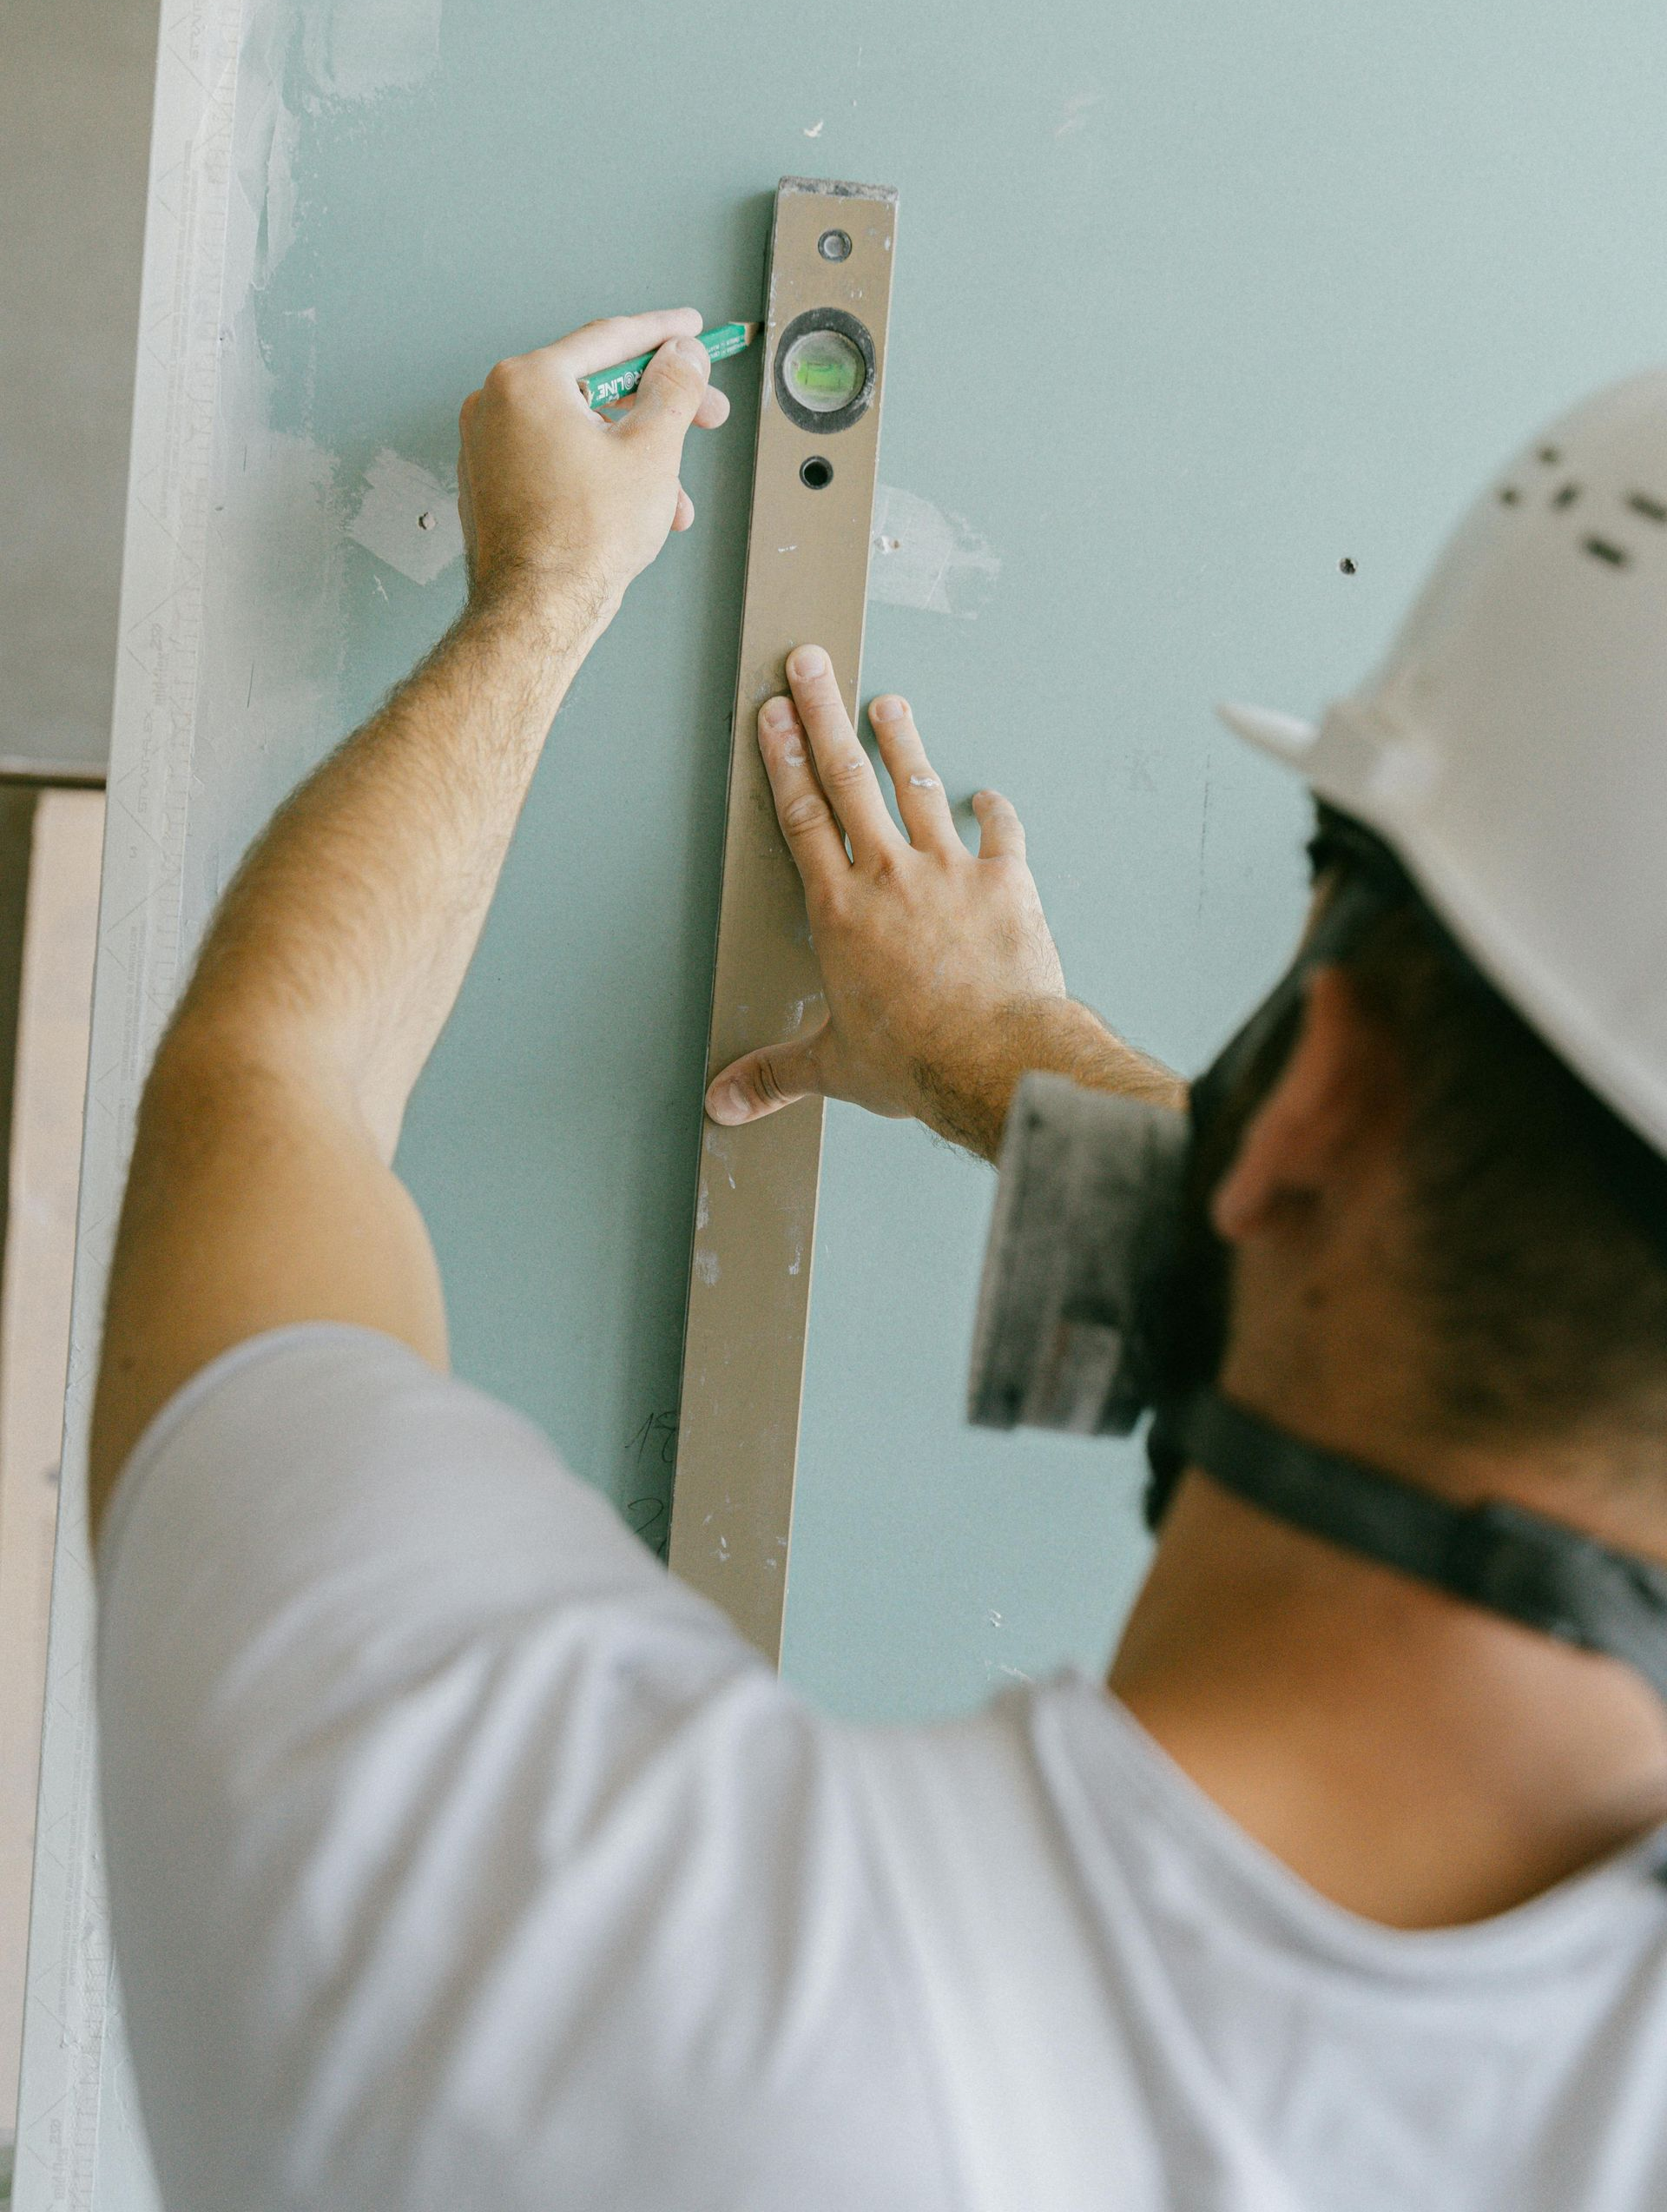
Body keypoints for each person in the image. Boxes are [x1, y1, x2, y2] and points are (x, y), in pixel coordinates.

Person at [90, 307, 1667, 2211]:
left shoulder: (545, 1952)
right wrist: (992, 1056)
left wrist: (541, 595)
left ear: (1315, 1093)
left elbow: (274, 1096)